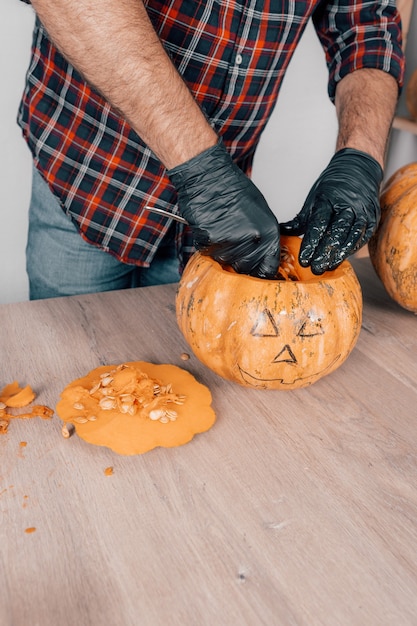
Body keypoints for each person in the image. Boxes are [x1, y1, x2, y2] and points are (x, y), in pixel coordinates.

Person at [18, 0, 404, 299]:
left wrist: (361, 155)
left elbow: (367, 24)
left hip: (218, 228)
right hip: (89, 176)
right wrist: (202, 170)